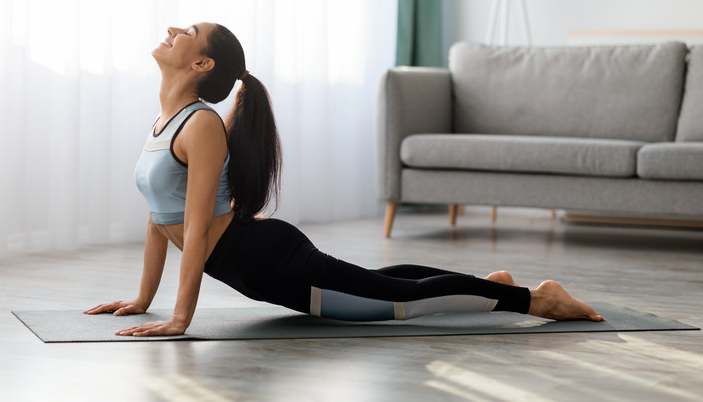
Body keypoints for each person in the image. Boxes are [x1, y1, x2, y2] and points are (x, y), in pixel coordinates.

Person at [85, 23, 603, 337]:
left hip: (267, 262)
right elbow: (161, 219)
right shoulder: (166, 124)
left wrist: (180, 318)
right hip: (256, 261)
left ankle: (537, 300)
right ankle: (487, 287)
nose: (173, 28)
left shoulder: (201, 126)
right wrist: (142, 298)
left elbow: (194, 232)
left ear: (201, 62)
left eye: (188, 33)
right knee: (380, 283)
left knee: (399, 303)